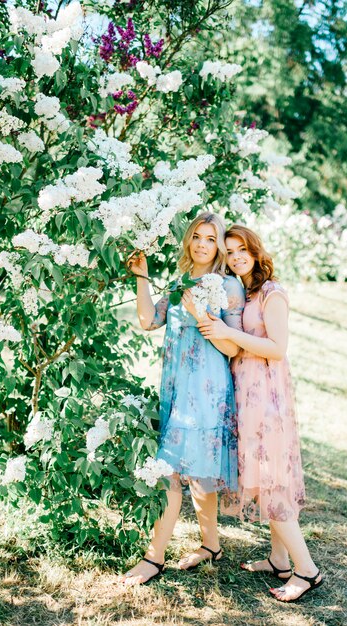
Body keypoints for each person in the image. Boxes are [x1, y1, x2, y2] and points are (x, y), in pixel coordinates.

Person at [197, 224, 324, 602]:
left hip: (267, 399)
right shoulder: (245, 291)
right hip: (247, 394)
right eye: (230, 251)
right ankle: (278, 560)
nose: (236, 257)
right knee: (265, 477)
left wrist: (228, 333)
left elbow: (277, 348)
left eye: (242, 250)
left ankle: (307, 571)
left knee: (272, 483)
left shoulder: (272, 292)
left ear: (255, 251)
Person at [123, 212, 245, 585]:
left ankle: (153, 557)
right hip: (177, 387)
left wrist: (202, 314)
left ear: (219, 244)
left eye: (210, 238)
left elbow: (233, 346)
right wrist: (142, 278)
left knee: (170, 470)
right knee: (197, 471)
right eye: (197, 237)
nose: (202, 245)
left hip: (207, 390)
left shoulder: (229, 286)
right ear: (188, 241)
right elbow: (147, 321)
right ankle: (211, 545)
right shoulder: (180, 282)